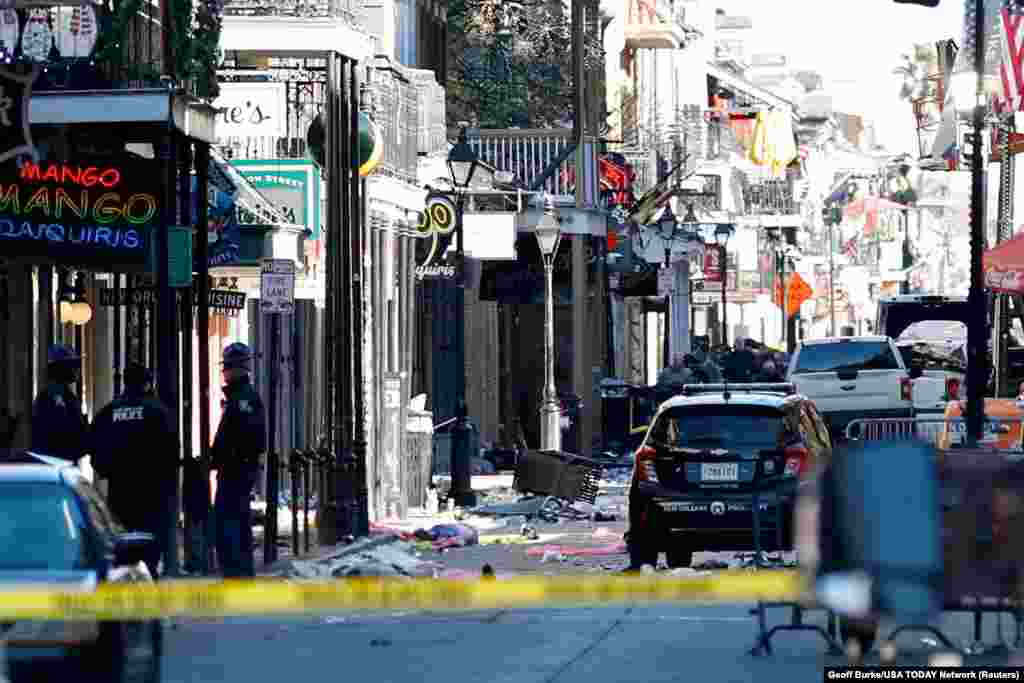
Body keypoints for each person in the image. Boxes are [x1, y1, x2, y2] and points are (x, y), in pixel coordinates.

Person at [91, 362, 177, 580]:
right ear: (147, 384)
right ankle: (148, 580)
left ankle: (127, 582)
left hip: (120, 491)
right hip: (151, 491)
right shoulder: (158, 411)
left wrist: (108, 471)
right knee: (149, 539)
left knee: (124, 541)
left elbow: (95, 450)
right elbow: (170, 453)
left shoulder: (108, 412)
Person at [211, 342, 266, 578]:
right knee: (235, 519)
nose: (224, 373)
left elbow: (243, 439)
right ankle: (239, 569)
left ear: (237, 369)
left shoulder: (243, 400)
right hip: (237, 469)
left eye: (227, 368)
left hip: (235, 471)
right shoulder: (241, 398)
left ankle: (236, 570)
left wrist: (219, 457)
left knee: (229, 521)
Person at [31, 344, 89, 463]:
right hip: (56, 463)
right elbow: (67, 432)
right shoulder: (56, 395)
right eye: (73, 365)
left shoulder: (63, 394)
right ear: (61, 368)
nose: (77, 369)